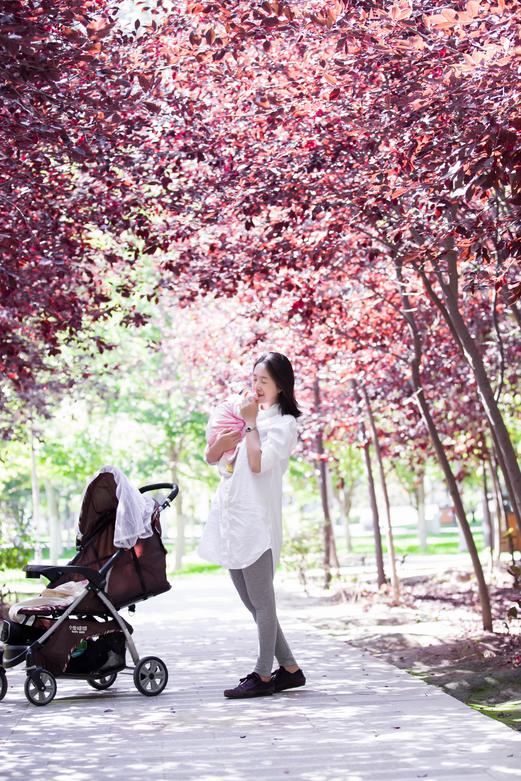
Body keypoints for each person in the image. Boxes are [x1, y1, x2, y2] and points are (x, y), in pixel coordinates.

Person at [198, 351, 306, 699]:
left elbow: (258, 464)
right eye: (254, 378)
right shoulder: (240, 414)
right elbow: (211, 457)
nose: (256, 386)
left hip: (257, 523)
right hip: (231, 519)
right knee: (253, 603)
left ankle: (262, 676)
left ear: (280, 387)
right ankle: (289, 669)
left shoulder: (284, 424)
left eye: (264, 381)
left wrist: (249, 425)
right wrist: (223, 443)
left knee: (262, 602)